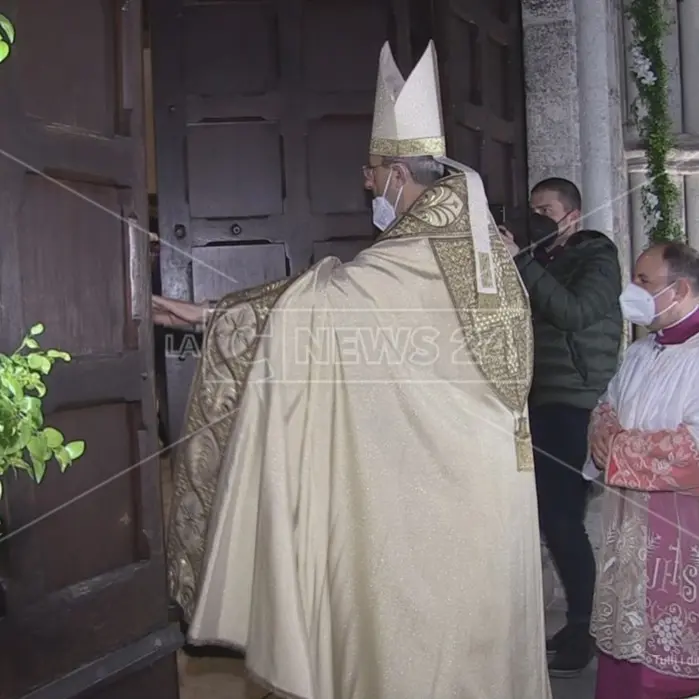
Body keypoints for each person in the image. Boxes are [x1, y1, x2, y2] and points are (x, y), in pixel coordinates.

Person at [157, 41, 551, 699]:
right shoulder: (473, 243)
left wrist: (210, 316)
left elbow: (320, 307)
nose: (367, 184)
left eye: (371, 171)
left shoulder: (418, 252)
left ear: (399, 172)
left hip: (436, 500)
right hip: (483, 487)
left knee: (422, 646)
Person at [501, 178, 624, 677]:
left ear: (571, 216)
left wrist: (522, 261)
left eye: (546, 210)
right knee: (550, 519)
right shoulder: (545, 261)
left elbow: (574, 314)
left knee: (563, 519)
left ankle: (583, 627)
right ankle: (573, 623)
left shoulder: (596, 257)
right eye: (533, 211)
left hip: (574, 402)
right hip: (538, 400)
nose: (539, 219)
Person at [587, 242, 699, 699]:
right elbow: (607, 405)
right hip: (627, 523)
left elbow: (693, 446)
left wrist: (618, 448)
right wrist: (602, 430)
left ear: (682, 288)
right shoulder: (640, 351)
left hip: (681, 524)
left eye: (644, 282)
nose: (632, 291)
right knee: (625, 640)